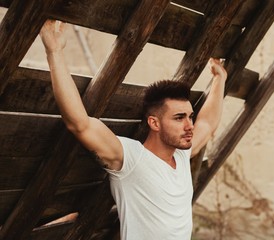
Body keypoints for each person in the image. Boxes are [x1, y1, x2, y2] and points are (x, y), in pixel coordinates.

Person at [40, 20, 227, 240]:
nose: (189, 125)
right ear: (154, 123)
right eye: (179, 118)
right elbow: (79, 123)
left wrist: (219, 79)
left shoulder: (183, 154)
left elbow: (207, 124)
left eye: (189, 116)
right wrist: (54, 51)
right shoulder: (131, 159)